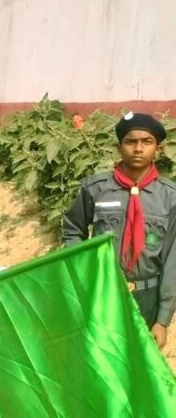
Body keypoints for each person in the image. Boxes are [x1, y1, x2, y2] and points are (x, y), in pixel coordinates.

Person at [63, 112, 176, 349]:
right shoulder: (96, 188)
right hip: (102, 292)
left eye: (147, 142)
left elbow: (172, 260)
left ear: (159, 148)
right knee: (101, 360)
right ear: (118, 146)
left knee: (140, 368)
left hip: (148, 298)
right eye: (130, 141)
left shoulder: (170, 197)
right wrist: (85, 274)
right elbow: (74, 230)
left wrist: (162, 320)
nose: (138, 148)